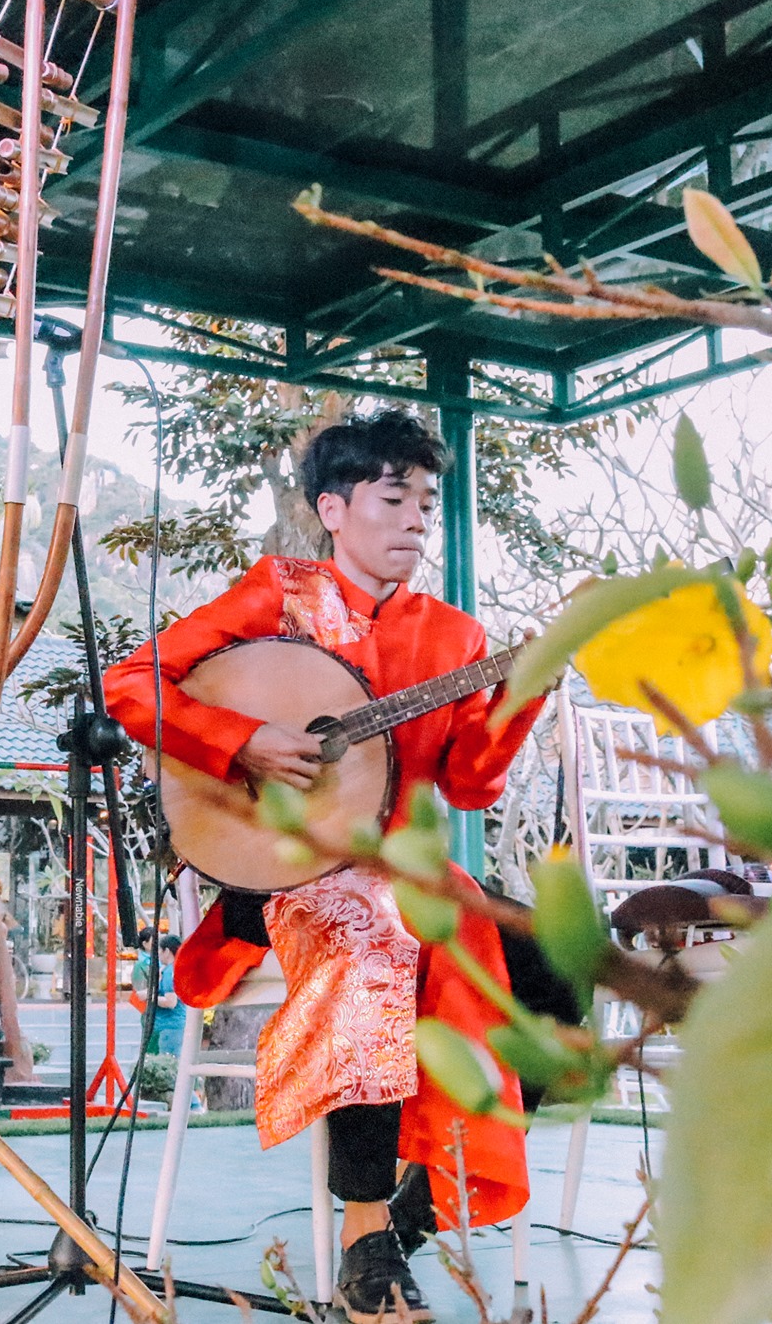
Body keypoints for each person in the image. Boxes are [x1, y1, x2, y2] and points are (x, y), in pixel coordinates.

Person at [103, 412, 547, 1324]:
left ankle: (410, 1217)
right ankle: (362, 1232)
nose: (417, 519)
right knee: (370, 934)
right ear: (333, 508)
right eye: (394, 498)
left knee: (555, 968)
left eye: (427, 501)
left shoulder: (458, 637)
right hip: (279, 877)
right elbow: (130, 683)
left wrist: (522, 696)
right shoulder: (279, 593)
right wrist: (244, 740)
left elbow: (466, 786)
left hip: (411, 876)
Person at [129, 928, 185, 1058]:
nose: (157, 952)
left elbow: (171, 1002)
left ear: (167, 951)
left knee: (166, 1063)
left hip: (168, 1025)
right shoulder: (170, 969)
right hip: (165, 1024)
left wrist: (149, 995)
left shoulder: (169, 972)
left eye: (159, 948)